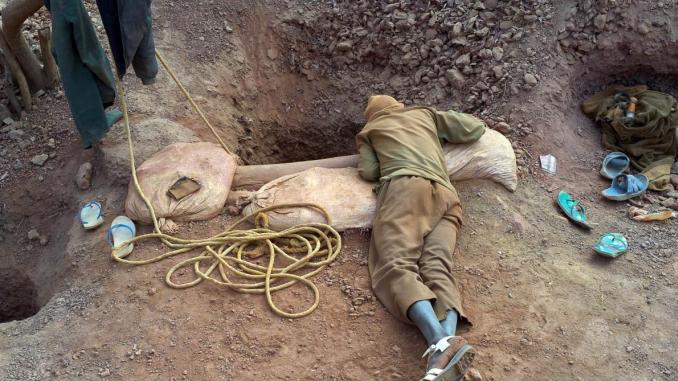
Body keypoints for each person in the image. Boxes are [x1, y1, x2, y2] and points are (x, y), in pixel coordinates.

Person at [356, 95, 486, 381]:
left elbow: (369, 171)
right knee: (437, 266)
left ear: (372, 117)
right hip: (448, 197)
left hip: (406, 191)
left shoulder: (370, 131)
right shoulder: (426, 114)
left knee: (394, 265)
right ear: (399, 106)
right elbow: (474, 128)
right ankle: (445, 358)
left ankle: (440, 343)